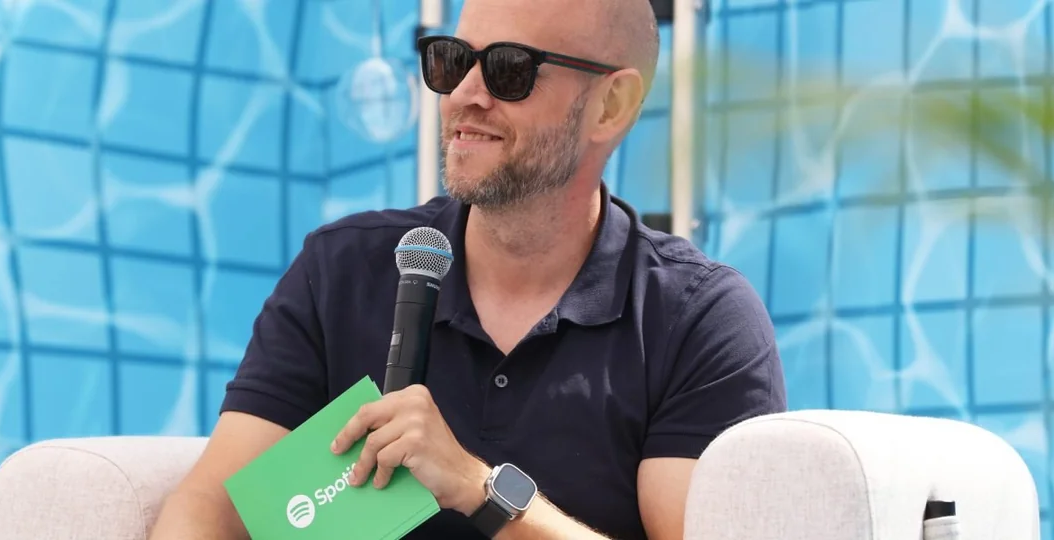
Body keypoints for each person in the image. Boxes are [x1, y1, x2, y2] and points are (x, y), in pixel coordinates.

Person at [149, 0, 786, 538]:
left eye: (510, 69)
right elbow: (213, 507)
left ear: (611, 105)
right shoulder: (340, 270)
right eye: (453, 60)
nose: (465, 94)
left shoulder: (698, 318)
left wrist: (481, 489)